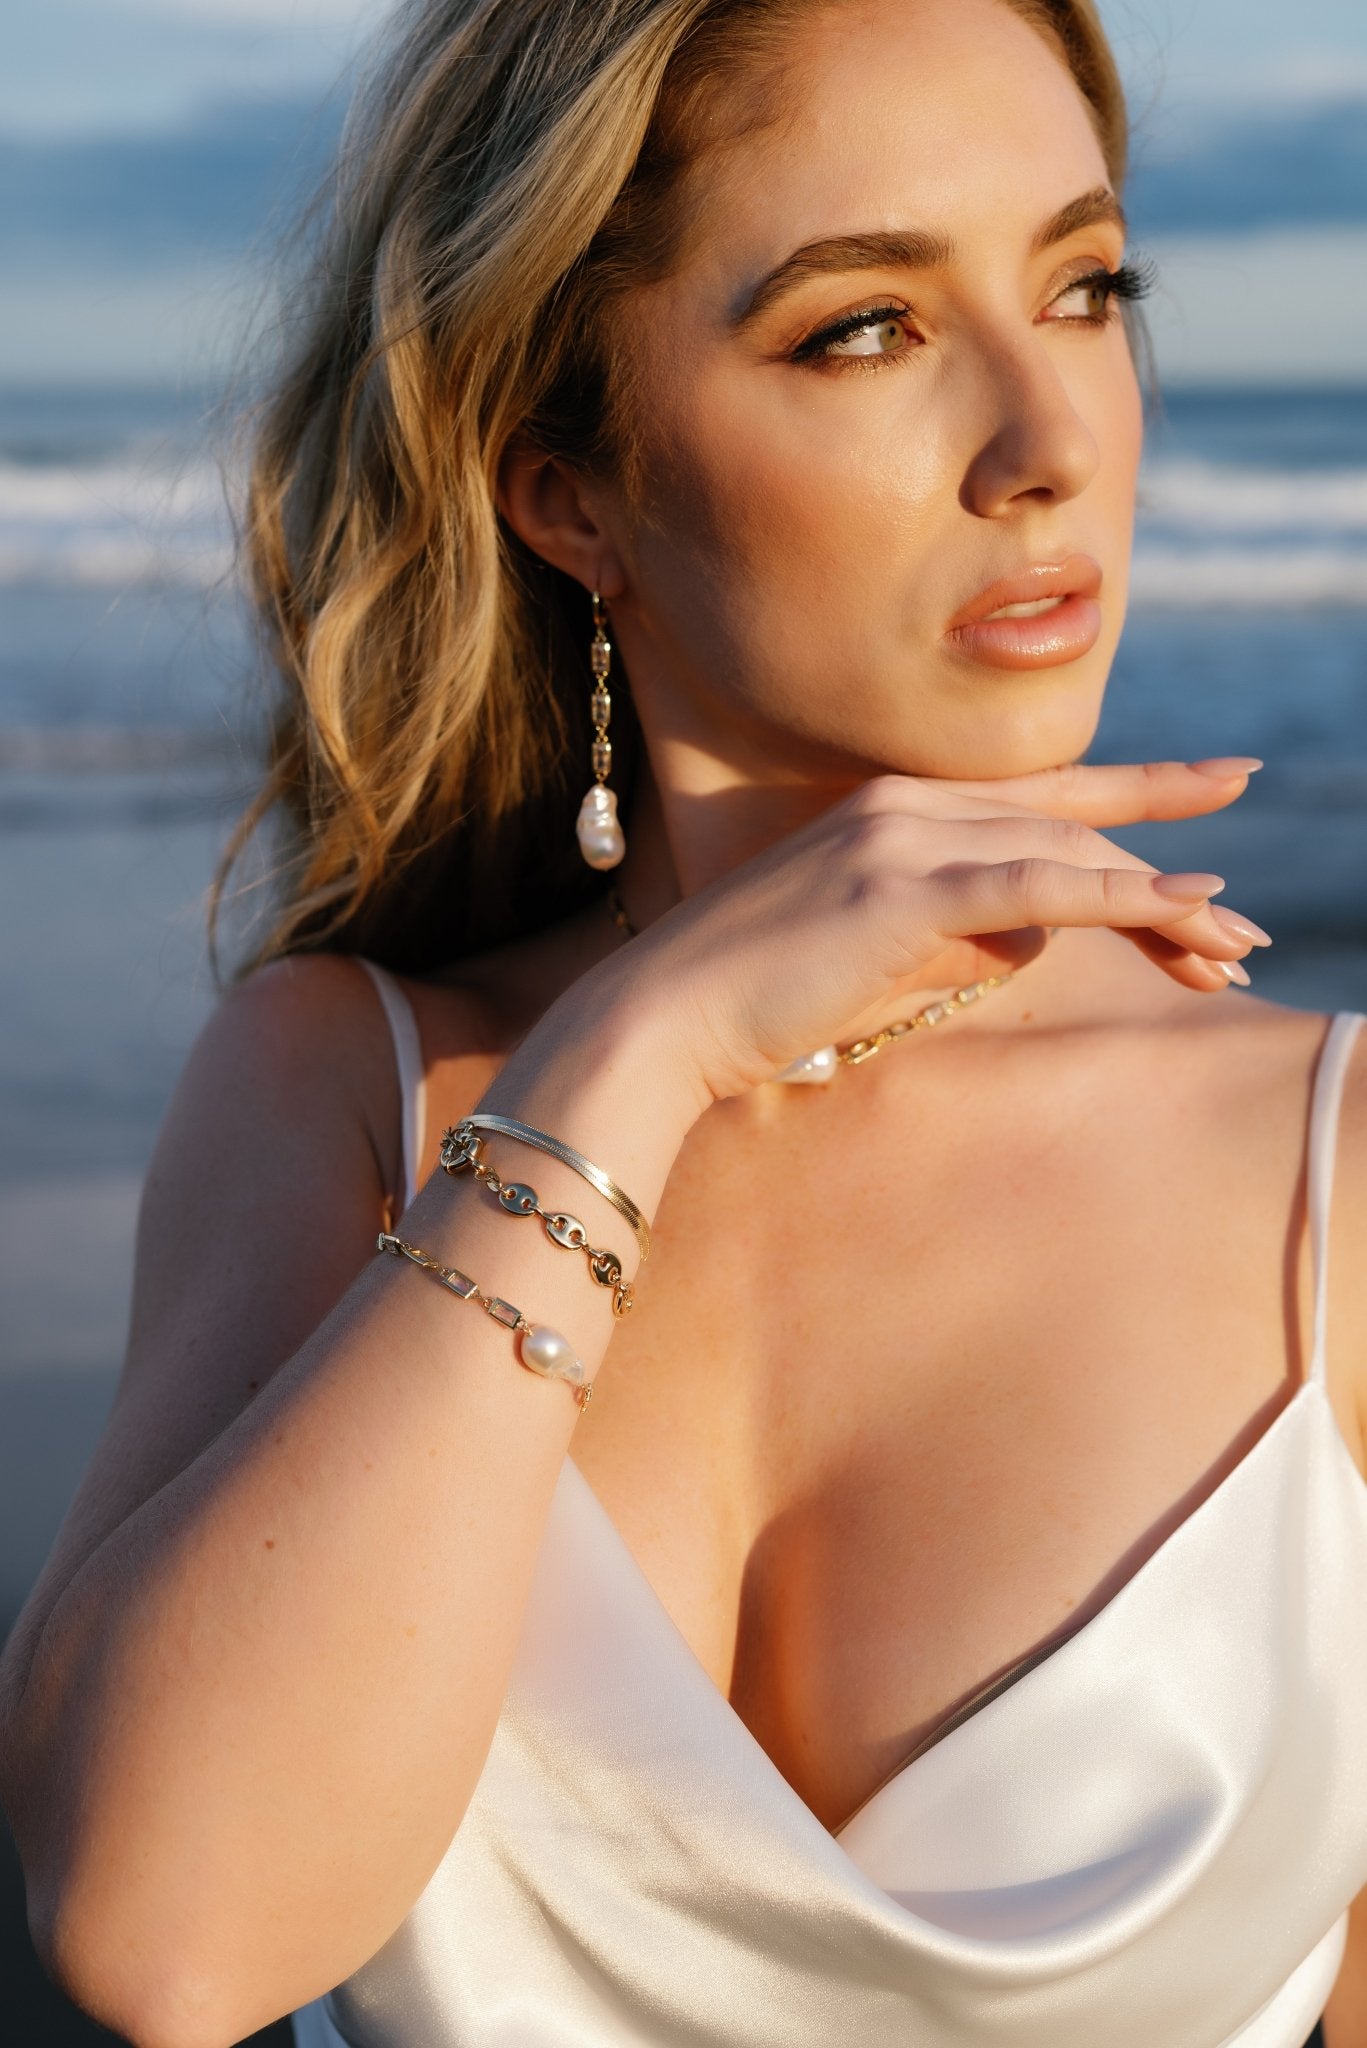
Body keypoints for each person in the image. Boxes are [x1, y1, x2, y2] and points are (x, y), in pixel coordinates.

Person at [2, 0, 1364, 2042]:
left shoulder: (1329, 1182)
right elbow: (164, 1937)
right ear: (569, 490)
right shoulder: (347, 1091)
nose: (1053, 440)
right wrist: (641, 1055)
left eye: (1087, 288)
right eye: (868, 329)